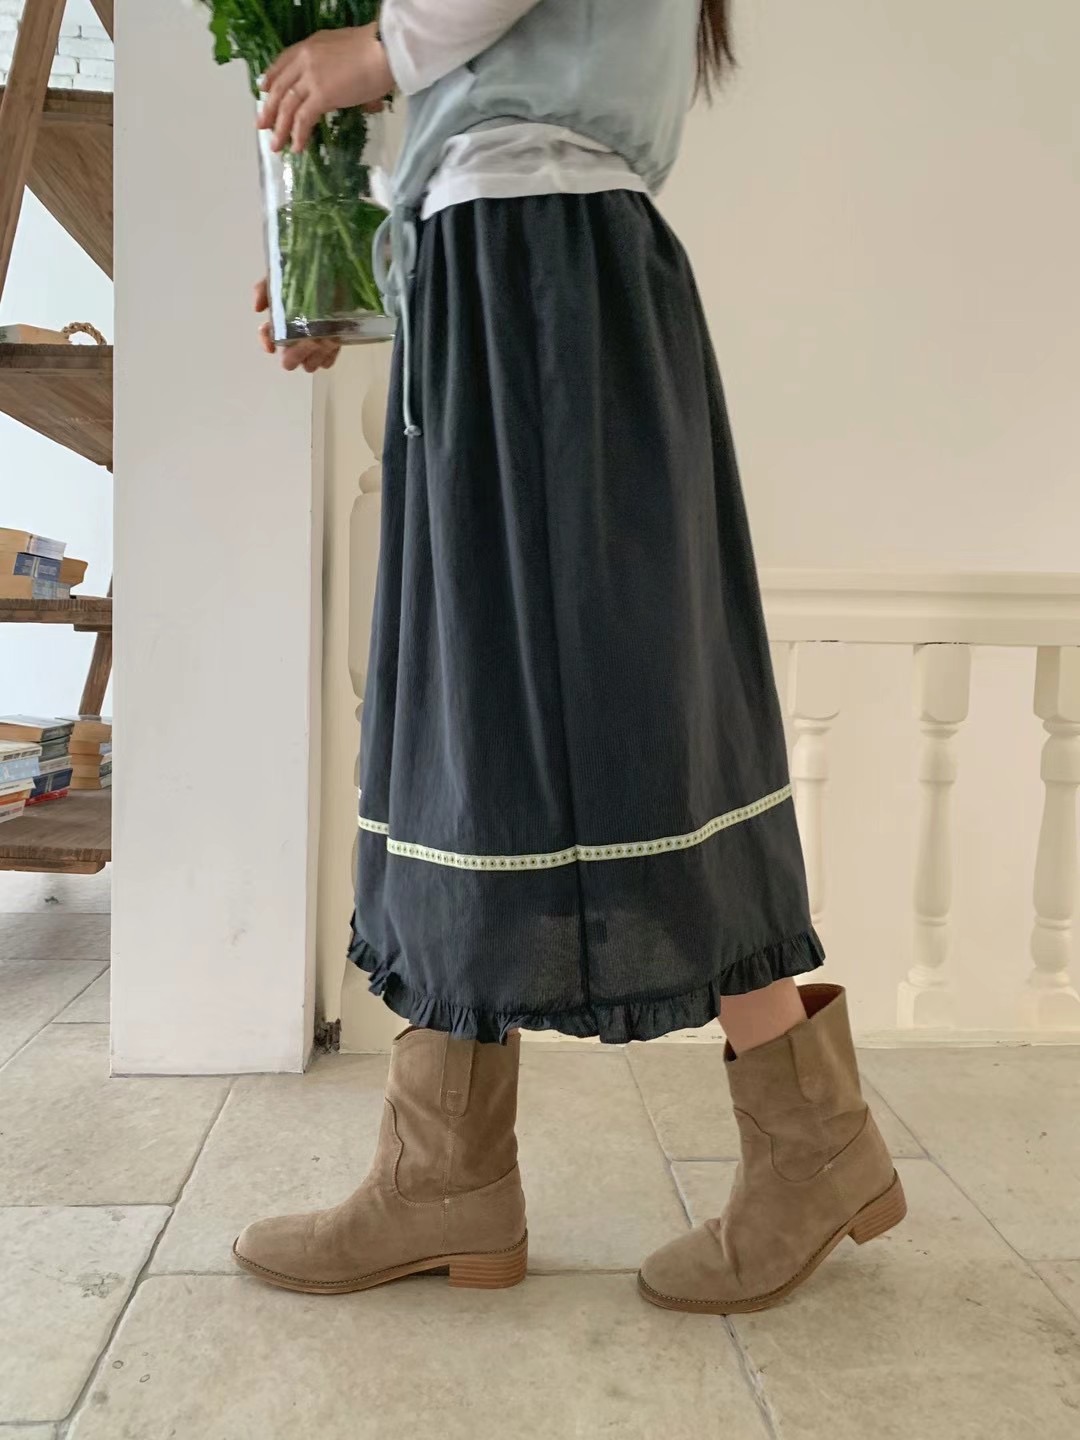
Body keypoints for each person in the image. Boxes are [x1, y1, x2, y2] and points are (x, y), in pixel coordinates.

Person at [235, 0, 906, 1314]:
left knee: (625, 709)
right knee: (470, 719)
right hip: (505, 262)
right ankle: (447, 1175)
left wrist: (376, 49)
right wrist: (359, 267)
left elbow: (495, 106)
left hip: (544, 263)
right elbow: (484, 116)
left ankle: (811, 1146)